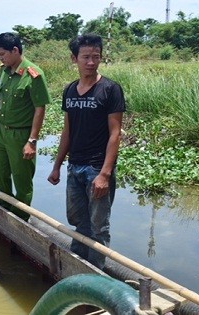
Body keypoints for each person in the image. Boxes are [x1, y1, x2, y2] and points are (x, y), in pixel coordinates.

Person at [47, 34, 126, 270]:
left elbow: (115, 133)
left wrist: (105, 174)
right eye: (86, 57)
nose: (91, 62)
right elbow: (67, 131)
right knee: (77, 220)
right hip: (75, 166)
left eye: (96, 57)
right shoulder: (70, 90)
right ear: (74, 59)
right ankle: (76, 265)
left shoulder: (110, 89)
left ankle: (95, 274)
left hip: (97, 167)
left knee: (99, 226)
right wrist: (57, 165)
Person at [0, 32, 52, 220]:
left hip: (20, 135)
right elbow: (3, 103)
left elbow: (40, 108)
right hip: (1, 133)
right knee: (1, 176)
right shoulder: (5, 71)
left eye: (2, 54)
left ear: (15, 50)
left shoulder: (33, 75)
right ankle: (5, 212)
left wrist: (32, 141)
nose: (1, 58)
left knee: (22, 181)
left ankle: (20, 220)